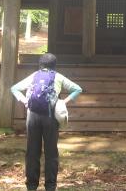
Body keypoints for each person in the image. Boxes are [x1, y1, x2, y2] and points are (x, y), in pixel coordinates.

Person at [11, 53, 82, 191]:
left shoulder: (34, 76)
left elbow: (14, 88)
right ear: (54, 65)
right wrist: (63, 102)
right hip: (50, 117)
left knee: (32, 152)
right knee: (51, 153)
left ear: (40, 65)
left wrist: (25, 101)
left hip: (32, 116)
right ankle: (50, 186)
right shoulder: (58, 76)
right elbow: (77, 89)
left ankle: (31, 186)